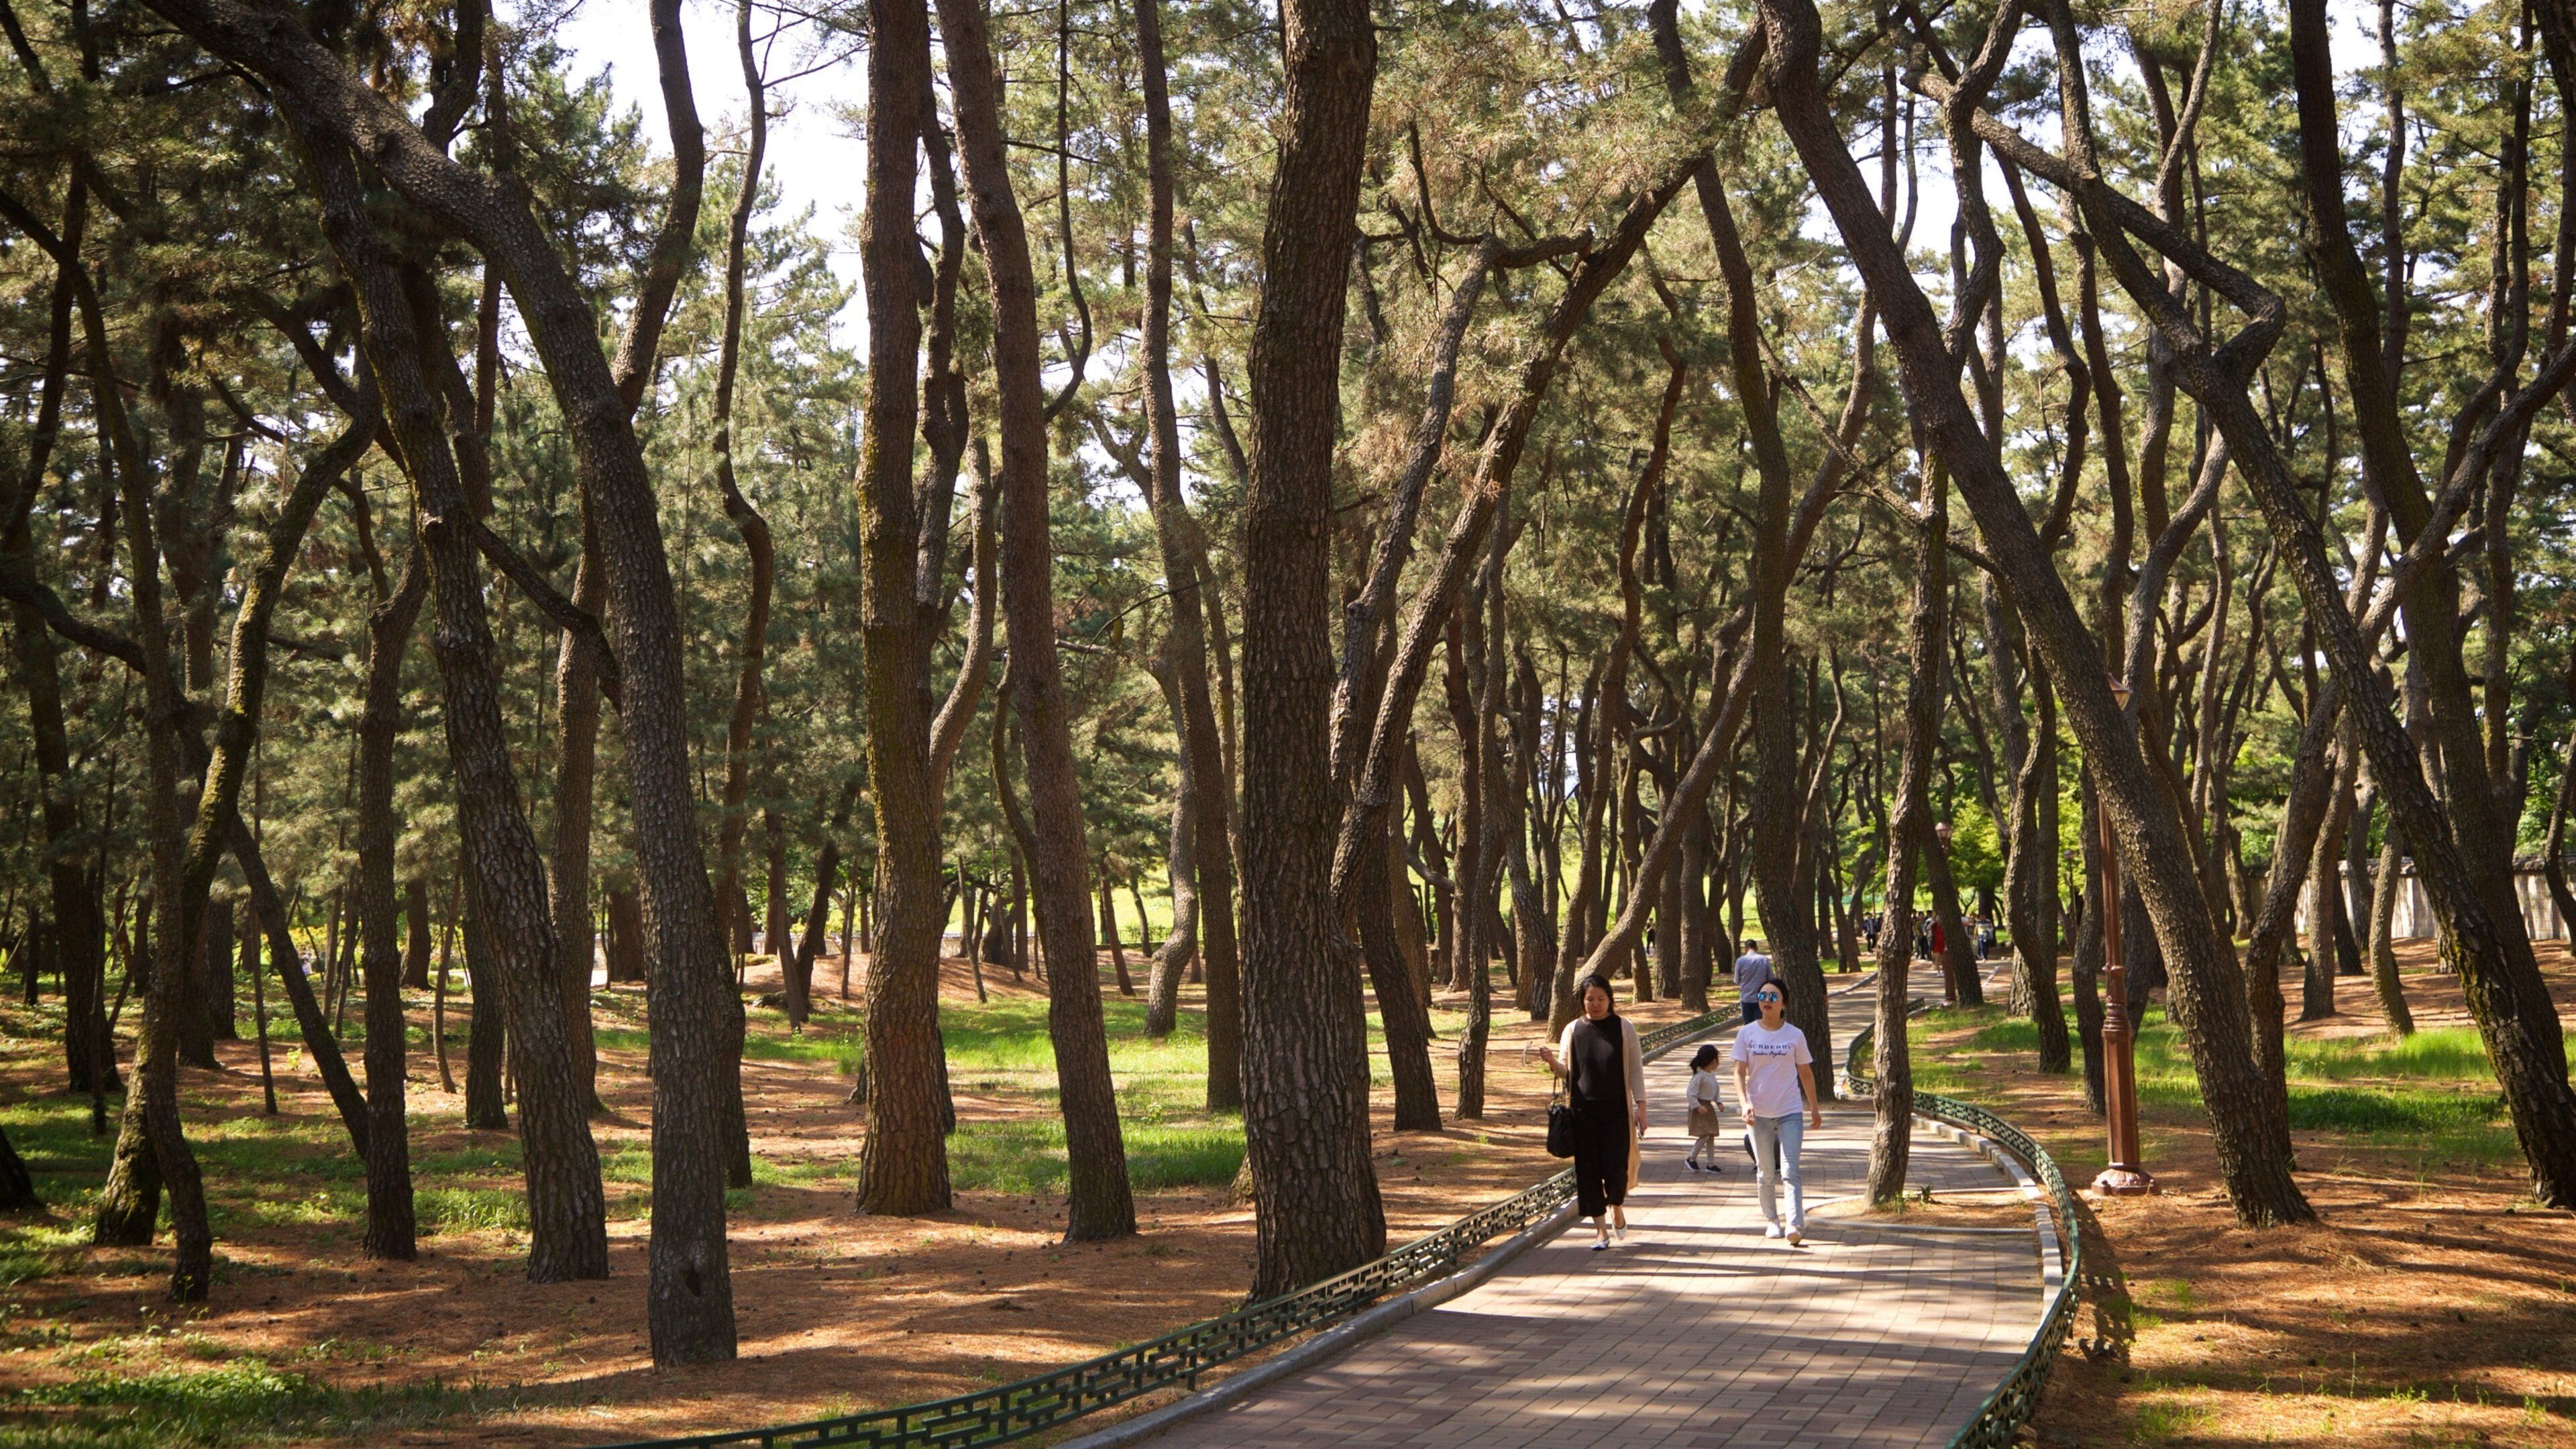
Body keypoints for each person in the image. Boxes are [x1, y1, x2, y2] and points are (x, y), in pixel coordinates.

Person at [1538, 973, 1646, 1250]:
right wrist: (1552, 1063)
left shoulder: (1624, 1028)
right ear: (1582, 1001)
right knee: (1588, 1173)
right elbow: (1566, 1071)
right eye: (1590, 999)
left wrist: (1641, 1107)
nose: (1596, 1004)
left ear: (1610, 999)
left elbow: (1635, 1071)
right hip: (1582, 1113)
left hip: (1617, 1113)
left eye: (1601, 999)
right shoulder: (1573, 1029)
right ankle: (1600, 1231)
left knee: (1616, 1170)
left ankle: (1617, 1207)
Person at [1732, 983, 1822, 1244]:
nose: (1767, 1000)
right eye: (1762, 996)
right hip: (1758, 1113)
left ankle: (1794, 1224)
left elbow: (1805, 1073)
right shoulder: (1747, 1033)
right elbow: (1738, 1072)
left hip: (1789, 1111)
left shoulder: (1795, 1035)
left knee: (1790, 1170)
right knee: (1766, 1171)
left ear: (1784, 1003)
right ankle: (1772, 1220)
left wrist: (1814, 1108)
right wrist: (1744, 1103)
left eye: (1773, 996)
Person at [1683, 1043, 1725, 1173]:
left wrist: (1719, 1102)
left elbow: (1715, 1091)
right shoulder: (1699, 1076)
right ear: (1713, 1061)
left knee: (1711, 1136)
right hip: (1700, 1109)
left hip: (1708, 1108)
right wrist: (1697, 1106)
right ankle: (1691, 1158)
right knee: (1705, 1135)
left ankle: (1710, 1164)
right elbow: (1691, 1093)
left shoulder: (1711, 1075)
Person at [1732, 938, 1774, 1025]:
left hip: (1746, 997)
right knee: (1761, 1024)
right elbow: (1771, 978)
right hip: (1761, 997)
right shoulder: (1764, 960)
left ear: (1746, 949)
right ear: (1757, 948)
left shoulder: (1740, 961)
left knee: (1748, 1024)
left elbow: (1736, 981)